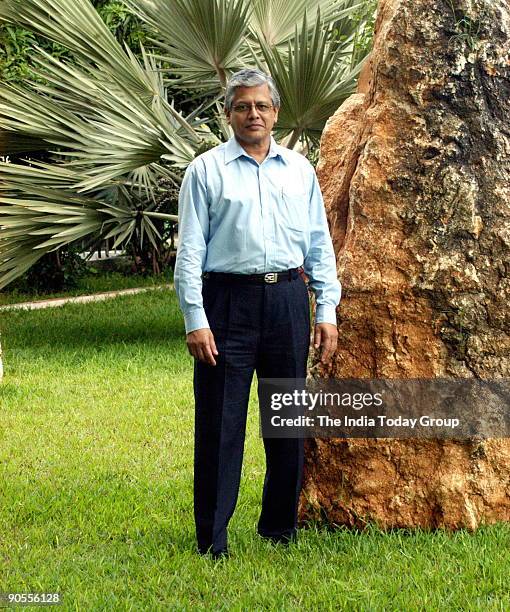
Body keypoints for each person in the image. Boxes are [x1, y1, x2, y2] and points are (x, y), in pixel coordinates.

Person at [174, 68, 341, 559]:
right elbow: (190, 252)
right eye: (243, 106)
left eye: (262, 106)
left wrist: (325, 308)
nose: (253, 114)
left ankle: (279, 528)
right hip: (227, 304)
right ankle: (212, 539)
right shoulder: (205, 171)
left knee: (287, 421)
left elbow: (318, 244)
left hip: (289, 301)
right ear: (228, 114)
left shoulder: (300, 170)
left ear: (275, 112)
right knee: (221, 424)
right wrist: (195, 318)